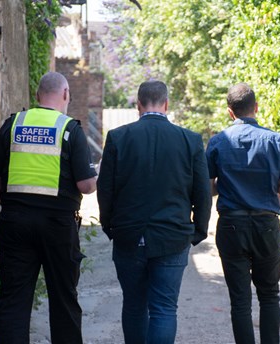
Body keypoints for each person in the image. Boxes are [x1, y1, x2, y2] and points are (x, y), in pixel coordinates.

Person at [0, 71, 97, 344]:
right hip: (58, 226)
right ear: (66, 94)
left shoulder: (14, 124)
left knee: (14, 299)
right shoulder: (70, 130)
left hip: (15, 221)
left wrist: (10, 204)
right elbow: (86, 185)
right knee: (64, 299)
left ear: (37, 96)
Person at [96, 80, 212, 344]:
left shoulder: (117, 138)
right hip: (173, 237)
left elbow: (106, 190)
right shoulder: (190, 141)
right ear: (167, 104)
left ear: (138, 105)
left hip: (128, 236)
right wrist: (197, 232)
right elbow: (202, 193)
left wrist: (109, 226)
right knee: (164, 309)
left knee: (134, 305)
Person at [205, 83, 280, 344]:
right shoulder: (275, 140)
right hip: (266, 224)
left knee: (240, 299)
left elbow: (205, 187)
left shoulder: (218, 141)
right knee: (269, 294)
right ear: (256, 108)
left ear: (229, 112)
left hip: (231, 225)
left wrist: (223, 184)